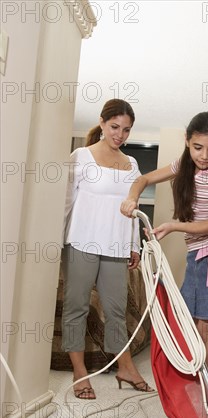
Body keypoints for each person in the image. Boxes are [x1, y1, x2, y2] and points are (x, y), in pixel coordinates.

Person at [120, 111, 208, 383]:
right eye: (198, 147)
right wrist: (132, 198)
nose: (204, 155)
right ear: (188, 142)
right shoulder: (183, 165)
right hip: (197, 253)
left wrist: (174, 225)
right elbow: (143, 179)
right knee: (191, 324)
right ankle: (198, 388)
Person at [62, 99, 154, 399]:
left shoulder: (132, 164)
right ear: (102, 123)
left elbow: (131, 208)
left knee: (116, 310)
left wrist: (133, 245)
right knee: (77, 307)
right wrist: (56, 240)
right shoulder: (81, 156)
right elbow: (66, 202)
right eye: (115, 127)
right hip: (82, 241)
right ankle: (79, 373)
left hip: (116, 245)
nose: (120, 134)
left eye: (126, 130)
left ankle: (125, 367)